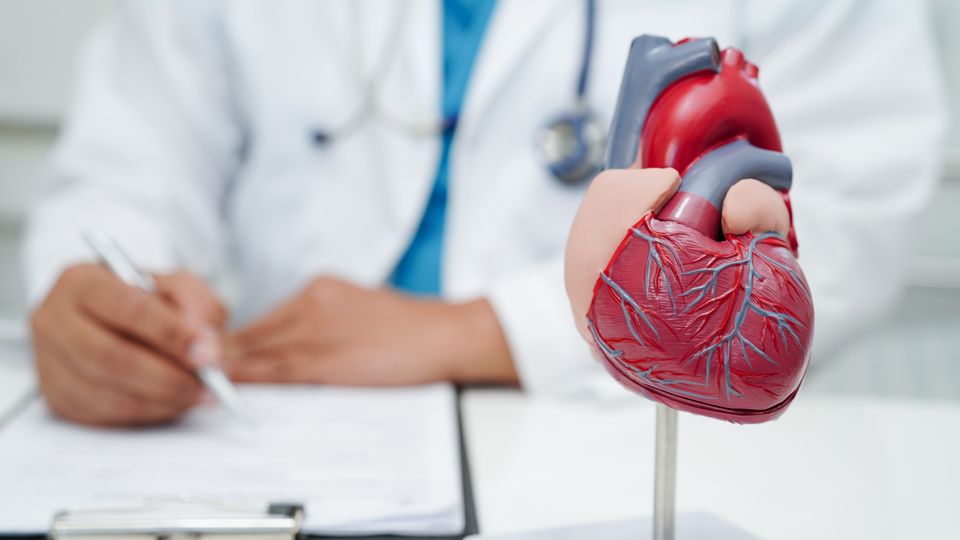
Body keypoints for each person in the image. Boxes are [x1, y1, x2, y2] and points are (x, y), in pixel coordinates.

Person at [23, 0, 944, 426]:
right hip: (275, 419)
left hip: (597, 426)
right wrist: (104, 288)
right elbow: (127, 159)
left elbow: (851, 195)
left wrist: (489, 332)